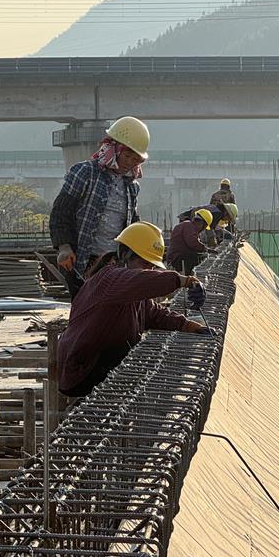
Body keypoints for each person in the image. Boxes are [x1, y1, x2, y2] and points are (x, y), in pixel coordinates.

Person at [57, 221, 210, 397]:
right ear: (125, 255)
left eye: (152, 267)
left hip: (100, 363)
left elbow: (154, 314)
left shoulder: (129, 289)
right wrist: (183, 281)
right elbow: (146, 280)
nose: (149, 270)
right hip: (82, 370)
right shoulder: (110, 278)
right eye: (145, 264)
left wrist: (189, 326)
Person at [49, 116, 150, 296]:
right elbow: (61, 212)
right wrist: (64, 247)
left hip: (114, 261)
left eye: (135, 160)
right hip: (82, 259)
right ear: (113, 149)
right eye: (127, 156)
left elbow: (132, 224)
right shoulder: (85, 172)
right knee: (85, 308)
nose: (129, 162)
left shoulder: (132, 187)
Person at [167, 208, 216, 274]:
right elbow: (193, 243)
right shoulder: (189, 226)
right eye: (204, 227)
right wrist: (206, 249)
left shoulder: (189, 226)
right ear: (201, 223)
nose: (202, 230)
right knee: (198, 257)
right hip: (177, 259)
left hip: (177, 257)